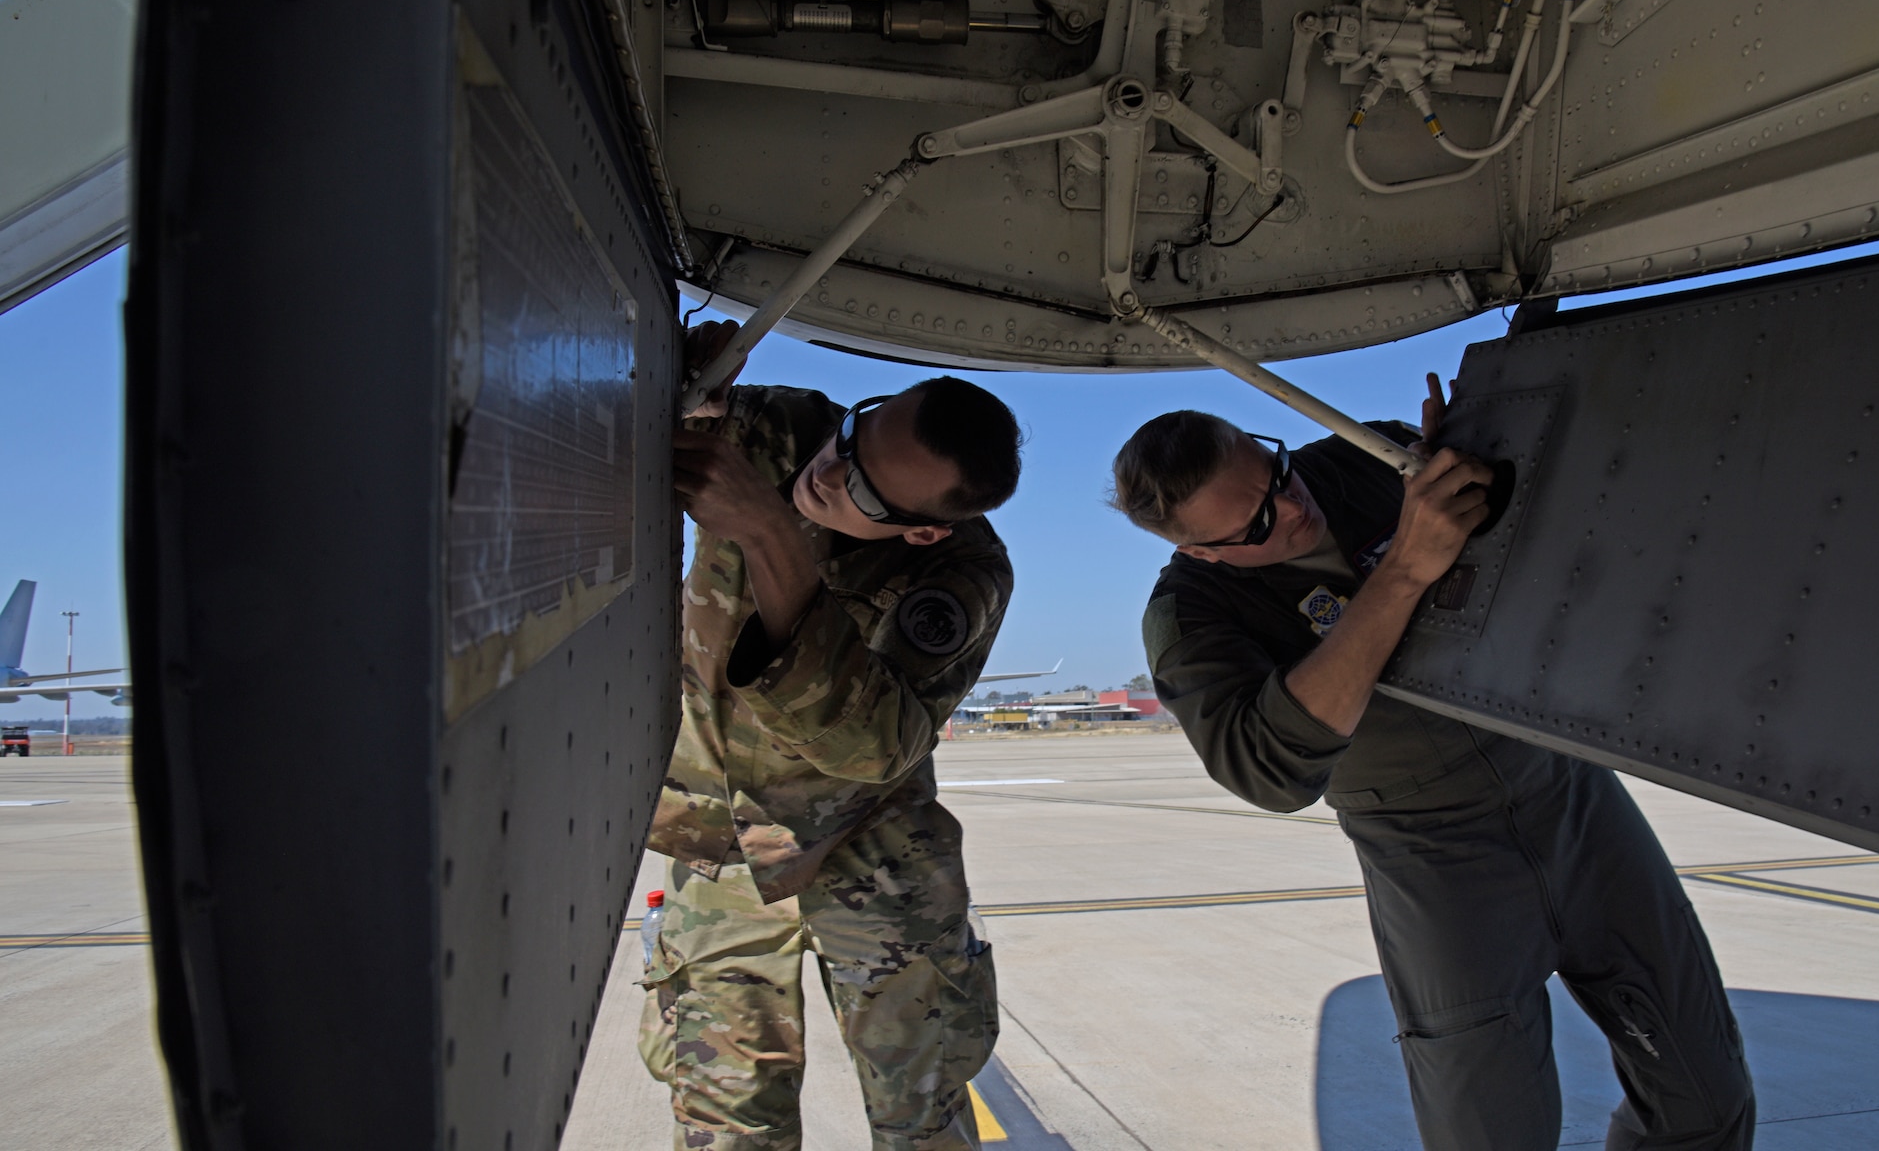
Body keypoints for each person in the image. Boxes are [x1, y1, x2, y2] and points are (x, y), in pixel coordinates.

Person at [1110, 377, 1756, 1151]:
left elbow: (1546, 511)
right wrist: (1404, 571)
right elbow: (1266, 771)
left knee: (1706, 1092)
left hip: (1570, 795)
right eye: (1255, 524)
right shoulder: (1192, 615)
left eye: (1275, 475)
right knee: (1488, 1128)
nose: (1292, 509)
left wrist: (1491, 450)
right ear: (1200, 550)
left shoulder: (1367, 460)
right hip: (1431, 853)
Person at [642, 320, 1021, 1151]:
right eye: (852, 438)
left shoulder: (960, 577)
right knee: (723, 1117)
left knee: (920, 1111)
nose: (827, 476)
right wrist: (673, 365)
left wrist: (771, 534)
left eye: (867, 493)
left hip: (873, 847)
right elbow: (657, 408)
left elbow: (875, 747)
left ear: (924, 529)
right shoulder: (787, 429)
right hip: (720, 843)